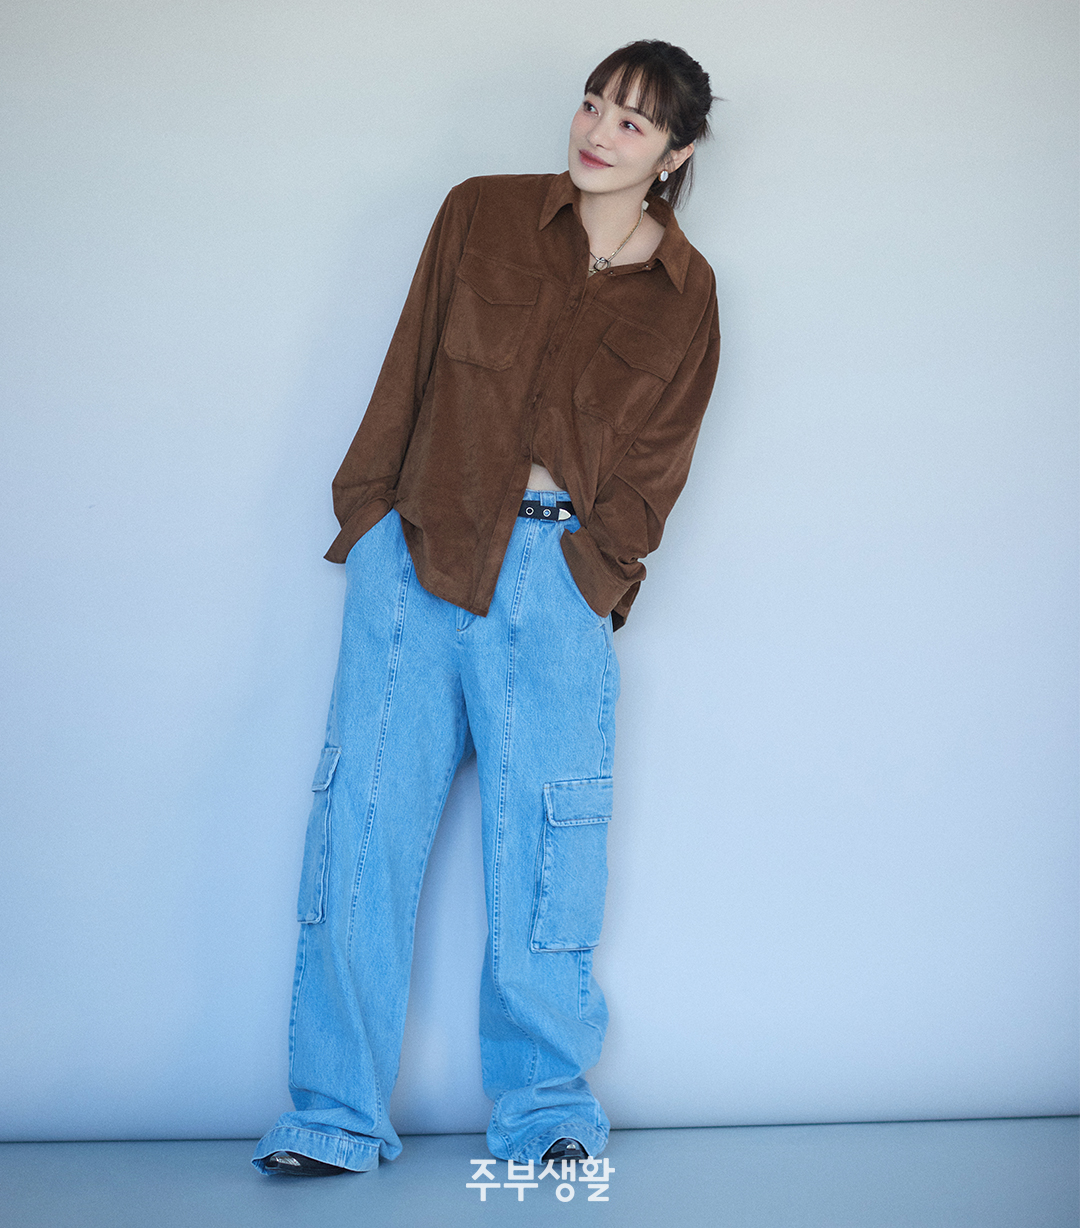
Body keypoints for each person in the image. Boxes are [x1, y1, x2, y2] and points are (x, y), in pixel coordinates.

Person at [253, 39, 720, 1177]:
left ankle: (545, 1110)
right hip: (418, 555)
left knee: (551, 848)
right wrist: (371, 523)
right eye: (595, 104)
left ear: (674, 154)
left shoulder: (689, 294)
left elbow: (658, 464)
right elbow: (407, 366)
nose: (599, 131)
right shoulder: (482, 213)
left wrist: (592, 576)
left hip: (555, 585)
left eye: (633, 122)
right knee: (361, 828)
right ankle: (334, 1117)